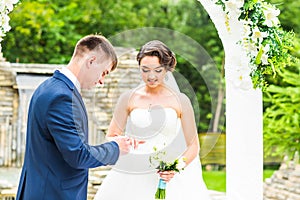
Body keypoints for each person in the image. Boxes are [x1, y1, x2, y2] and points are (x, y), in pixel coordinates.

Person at [16, 34, 132, 200]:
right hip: (53, 194)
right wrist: (115, 148)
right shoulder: (61, 97)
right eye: (104, 73)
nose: (102, 81)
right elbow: (78, 155)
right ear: (91, 61)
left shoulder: (50, 87)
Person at [94, 40, 211, 200]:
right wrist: (125, 142)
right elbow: (112, 135)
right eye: (145, 70)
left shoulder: (181, 100)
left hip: (169, 176)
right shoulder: (128, 98)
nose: (151, 76)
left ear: (167, 69)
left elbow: (193, 146)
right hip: (134, 172)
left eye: (157, 70)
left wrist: (175, 167)